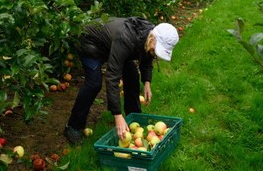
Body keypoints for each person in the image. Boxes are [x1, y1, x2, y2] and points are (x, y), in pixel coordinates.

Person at [63, 17, 179, 145]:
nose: (155, 53)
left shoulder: (149, 35)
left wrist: (147, 82)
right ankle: (73, 126)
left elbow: (147, 57)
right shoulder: (126, 38)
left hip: (111, 45)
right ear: (152, 38)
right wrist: (117, 115)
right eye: (156, 49)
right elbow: (112, 76)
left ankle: (134, 119)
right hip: (90, 43)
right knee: (94, 83)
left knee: (132, 75)